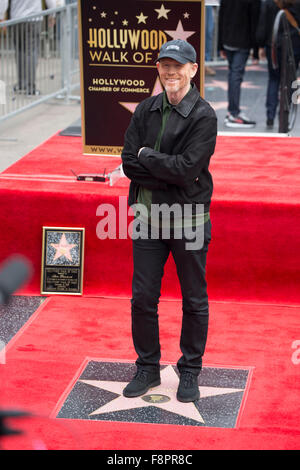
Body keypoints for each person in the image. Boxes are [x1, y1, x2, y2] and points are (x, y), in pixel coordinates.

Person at [121, 39, 217, 403]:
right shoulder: (145, 109)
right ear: (158, 69)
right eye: (164, 65)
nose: (170, 71)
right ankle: (147, 367)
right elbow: (129, 162)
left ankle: (190, 370)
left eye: (178, 65)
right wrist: (162, 168)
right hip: (147, 219)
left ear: (193, 70)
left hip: (189, 220)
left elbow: (188, 169)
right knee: (142, 297)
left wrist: (150, 158)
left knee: (194, 299)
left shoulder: (204, 115)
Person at [0, 0, 63, 95]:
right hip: (33, 19)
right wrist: (52, 14)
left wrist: (1, 16)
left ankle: (22, 84)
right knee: (31, 52)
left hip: (17, 18)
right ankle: (30, 87)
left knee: (20, 51)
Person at [256, 0, 300, 128]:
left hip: (273, 45)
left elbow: (263, 26)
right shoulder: (296, 3)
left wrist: (260, 46)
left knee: (273, 79)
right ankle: (285, 112)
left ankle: (270, 116)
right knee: (290, 79)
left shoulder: (269, 3)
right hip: (294, 45)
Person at [218, 0, 261, 128]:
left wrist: (220, 44)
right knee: (236, 76)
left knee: (233, 75)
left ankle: (233, 111)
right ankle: (233, 113)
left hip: (228, 39)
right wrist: (256, 50)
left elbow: (222, 17)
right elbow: (255, 22)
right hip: (243, 41)